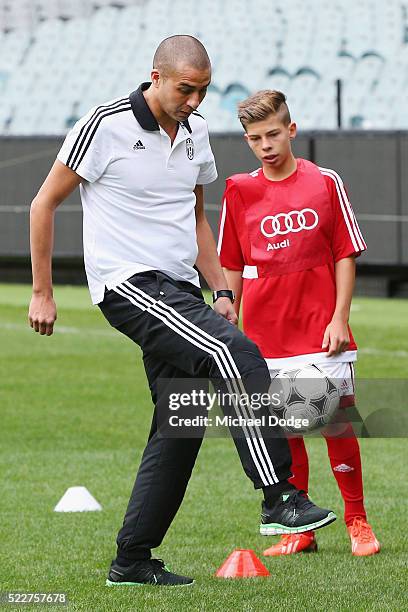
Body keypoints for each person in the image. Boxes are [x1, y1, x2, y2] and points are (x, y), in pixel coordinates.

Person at [28, 37, 336, 588]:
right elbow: (43, 202)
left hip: (183, 290)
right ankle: (278, 496)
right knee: (233, 352)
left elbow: (195, 221)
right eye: (185, 88)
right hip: (128, 287)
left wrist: (219, 289)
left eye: (203, 90)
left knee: (180, 422)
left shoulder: (195, 134)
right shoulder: (104, 125)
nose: (194, 100)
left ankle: (132, 559)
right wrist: (43, 290)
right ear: (157, 76)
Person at [218, 89, 380, 558]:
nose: (265, 144)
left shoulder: (326, 182)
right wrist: (228, 308)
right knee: (287, 430)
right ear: (247, 142)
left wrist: (339, 318)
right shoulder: (239, 190)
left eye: (272, 134)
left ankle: (357, 520)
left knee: (334, 422)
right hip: (265, 334)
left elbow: (345, 253)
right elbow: (230, 260)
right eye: (255, 138)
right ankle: (301, 529)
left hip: (318, 329)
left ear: (291, 131)